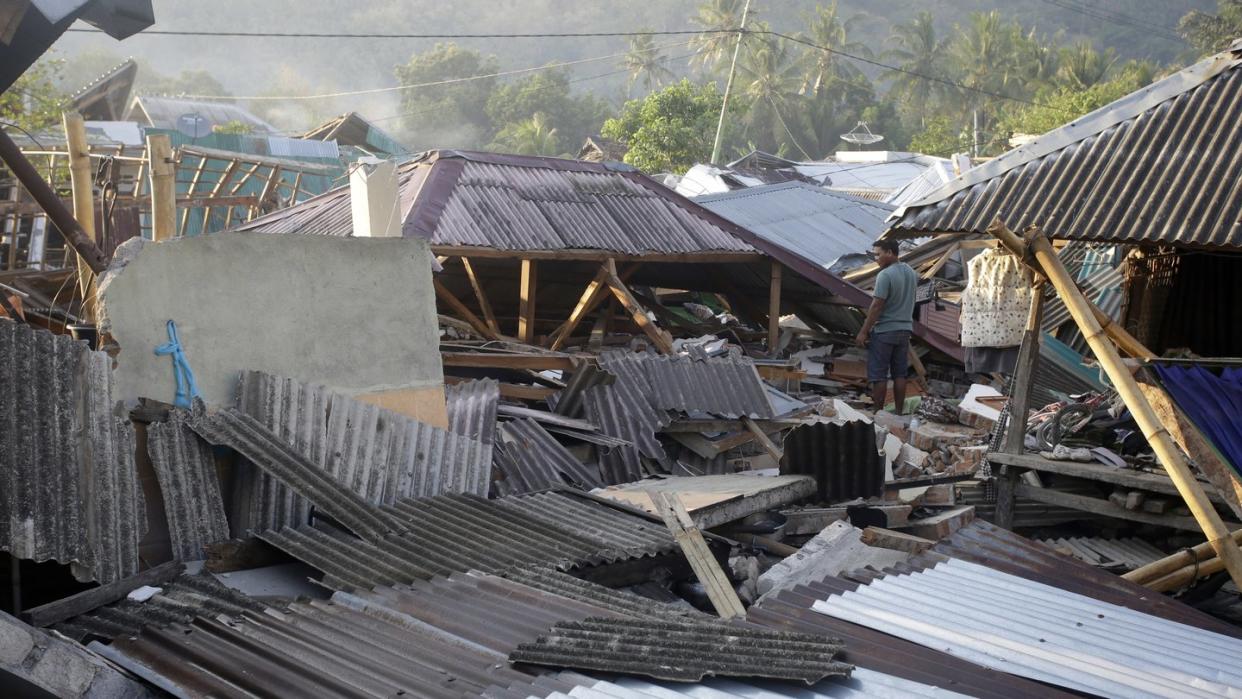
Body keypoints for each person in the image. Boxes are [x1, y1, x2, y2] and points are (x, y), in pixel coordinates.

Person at [854, 239, 917, 415]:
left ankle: (878, 414)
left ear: (889, 252)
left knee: (879, 375)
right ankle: (898, 412)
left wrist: (863, 331)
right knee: (900, 374)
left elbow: (876, 305)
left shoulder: (885, 275)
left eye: (878, 254)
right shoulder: (911, 272)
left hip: (885, 331)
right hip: (904, 330)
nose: (876, 258)